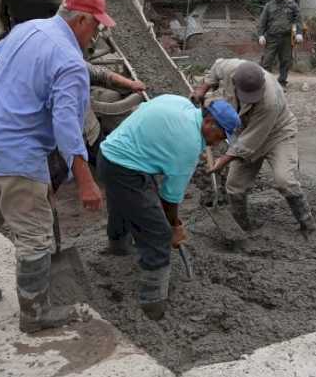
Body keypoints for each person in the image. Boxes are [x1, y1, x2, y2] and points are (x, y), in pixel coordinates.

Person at [0, 0, 110, 334]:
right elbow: (68, 127)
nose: (96, 34)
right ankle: (35, 314)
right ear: (82, 18)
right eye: (96, 26)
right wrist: (86, 182)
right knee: (35, 236)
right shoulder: (69, 62)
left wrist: (14, 96)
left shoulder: (27, 29)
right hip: (17, 154)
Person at [96, 95, 240, 320]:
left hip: (108, 154)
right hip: (125, 168)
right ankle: (152, 303)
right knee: (157, 233)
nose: (218, 143)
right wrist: (173, 227)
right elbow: (169, 199)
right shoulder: (188, 146)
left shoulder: (178, 102)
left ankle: (118, 246)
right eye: (220, 136)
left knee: (125, 203)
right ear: (209, 122)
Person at [192, 58, 314, 234]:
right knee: (234, 185)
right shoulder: (230, 68)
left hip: (277, 134)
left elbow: (251, 141)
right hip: (244, 131)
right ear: (234, 81)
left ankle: (306, 224)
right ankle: (241, 227)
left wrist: (223, 160)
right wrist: (204, 87)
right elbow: (216, 68)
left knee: (284, 180)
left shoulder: (270, 101)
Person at [257, 0, 302, 86]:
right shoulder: (269, 6)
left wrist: (299, 32)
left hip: (286, 38)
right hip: (272, 38)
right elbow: (262, 21)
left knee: (286, 61)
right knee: (267, 61)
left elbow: (298, 19)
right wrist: (261, 35)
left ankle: (282, 81)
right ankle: (266, 83)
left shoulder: (292, 5)